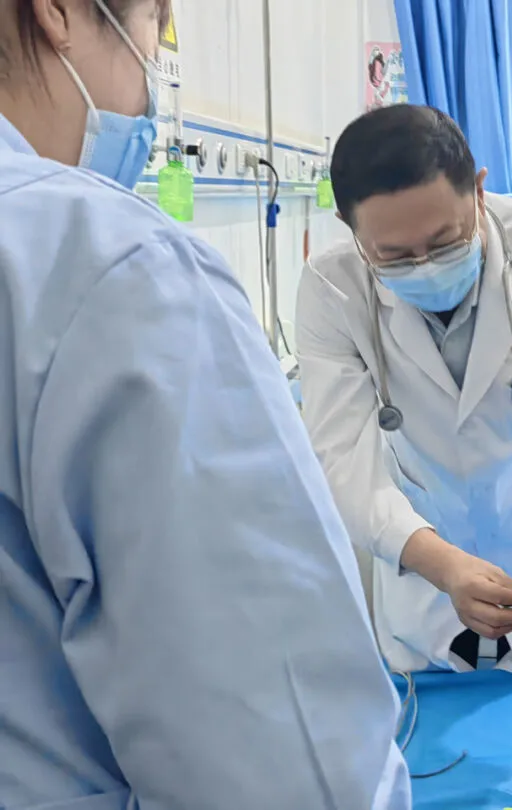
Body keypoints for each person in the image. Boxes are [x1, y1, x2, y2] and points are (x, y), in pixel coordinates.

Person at [0, 1, 409, 807]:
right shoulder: (108, 266)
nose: (150, 80)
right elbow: (286, 769)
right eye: (153, 29)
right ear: (56, 13)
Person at [296, 105, 512, 674]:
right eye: (394, 255)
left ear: (480, 192)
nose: (424, 266)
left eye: (446, 242)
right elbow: (340, 461)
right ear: (351, 228)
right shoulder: (332, 287)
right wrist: (441, 565)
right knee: (424, 718)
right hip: (420, 566)